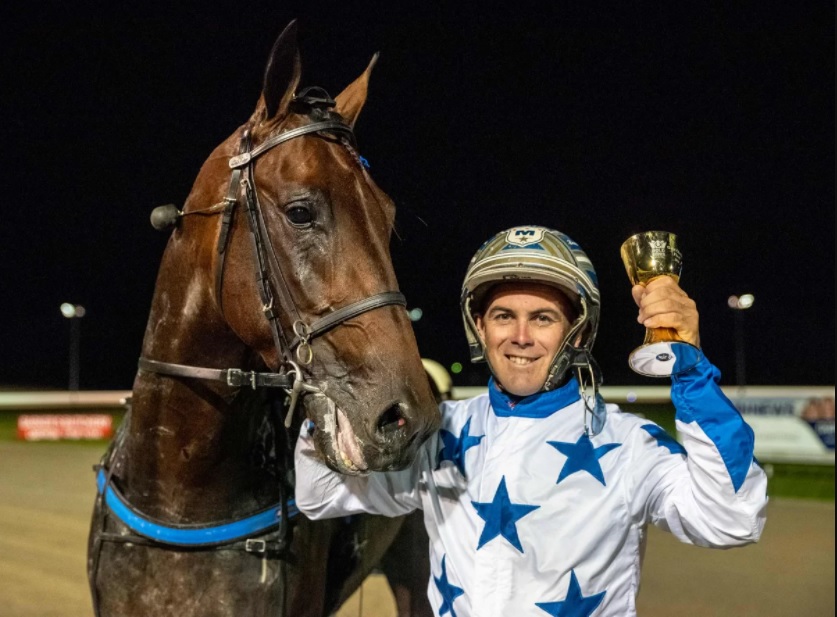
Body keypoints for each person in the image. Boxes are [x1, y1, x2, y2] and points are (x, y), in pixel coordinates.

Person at [296, 225, 768, 617]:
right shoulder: (441, 434)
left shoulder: (629, 444)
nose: (520, 337)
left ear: (577, 331)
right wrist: (330, 376)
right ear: (480, 327)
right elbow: (320, 493)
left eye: (542, 318)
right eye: (504, 315)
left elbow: (732, 518)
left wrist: (692, 372)